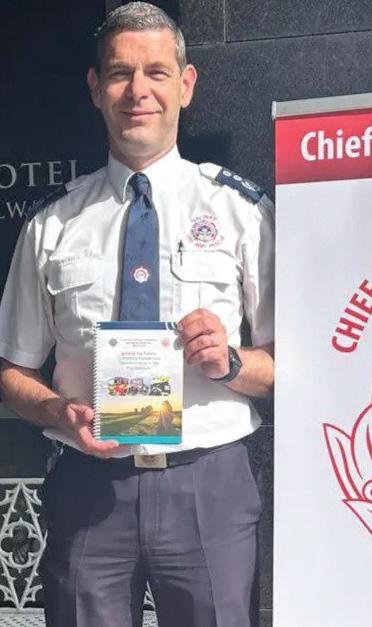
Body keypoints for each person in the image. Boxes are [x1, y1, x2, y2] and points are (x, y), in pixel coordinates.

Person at [0, 3, 274, 626]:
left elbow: (290, 363)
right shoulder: (52, 224)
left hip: (209, 483)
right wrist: (57, 411)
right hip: (89, 487)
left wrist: (231, 362)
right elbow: (12, 369)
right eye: (120, 73)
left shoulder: (242, 212)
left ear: (186, 84)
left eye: (156, 71)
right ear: (96, 88)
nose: (138, 90)